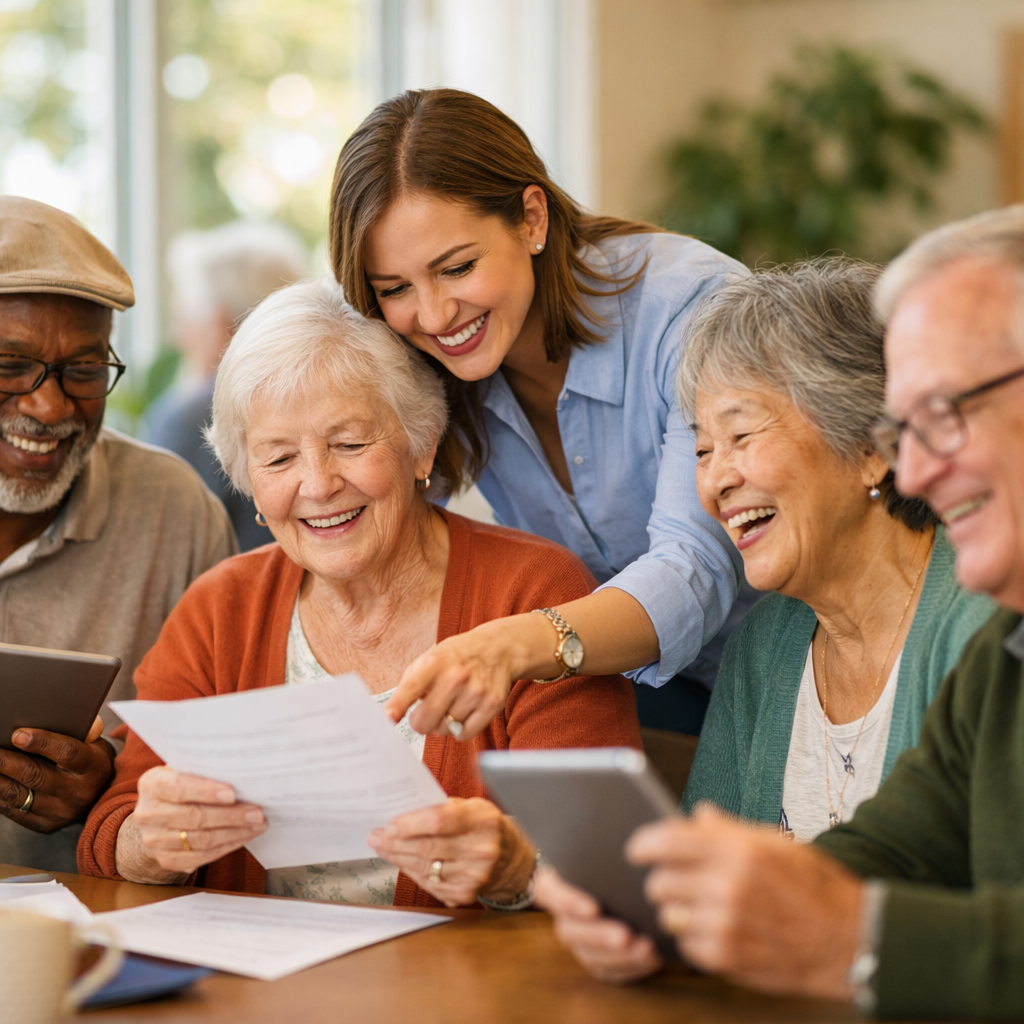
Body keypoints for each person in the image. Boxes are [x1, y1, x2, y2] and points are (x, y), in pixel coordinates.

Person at [536, 205, 1024, 1019]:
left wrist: (853, 937)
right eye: (909, 426)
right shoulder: (1005, 652)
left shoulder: (979, 625)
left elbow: (861, 911)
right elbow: (891, 848)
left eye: (944, 415)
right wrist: (679, 915)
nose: (921, 466)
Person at [79, 278, 641, 909]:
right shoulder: (219, 610)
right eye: (279, 458)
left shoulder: (533, 591)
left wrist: (514, 866)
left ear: (422, 443)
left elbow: (606, 857)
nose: (318, 485)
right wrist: (150, 842)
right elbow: (115, 831)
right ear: (248, 482)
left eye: (349, 444)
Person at [330, 87, 754, 738]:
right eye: (396, 290)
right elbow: (380, 531)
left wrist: (508, 644)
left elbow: (692, 570)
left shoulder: (692, 308)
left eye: (458, 267)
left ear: (532, 219)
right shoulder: (427, 360)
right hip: (658, 695)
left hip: (801, 671)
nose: (437, 315)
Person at [673, 259, 992, 839]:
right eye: (701, 450)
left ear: (873, 447)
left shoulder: (982, 625)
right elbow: (699, 870)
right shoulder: (765, 646)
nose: (713, 481)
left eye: (741, 435)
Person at [0, 196, 236, 874]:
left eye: (83, 369)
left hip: (101, 922)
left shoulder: (173, 509)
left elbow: (228, 747)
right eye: (9, 365)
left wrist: (116, 777)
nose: (49, 406)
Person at [143, 221, 308, 551]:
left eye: (185, 320)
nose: (179, 336)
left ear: (221, 327)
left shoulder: (189, 420)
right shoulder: (337, 394)